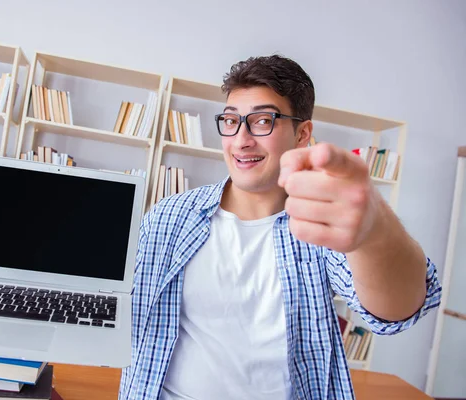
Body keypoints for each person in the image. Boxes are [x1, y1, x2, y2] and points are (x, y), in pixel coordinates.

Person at [118, 55, 441, 400]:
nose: (240, 140)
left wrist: (376, 231)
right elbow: (124, 309)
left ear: (302, 133)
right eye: (230, 121)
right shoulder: (169, 217)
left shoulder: (321, 225)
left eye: (262, 121)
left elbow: (395, 312)